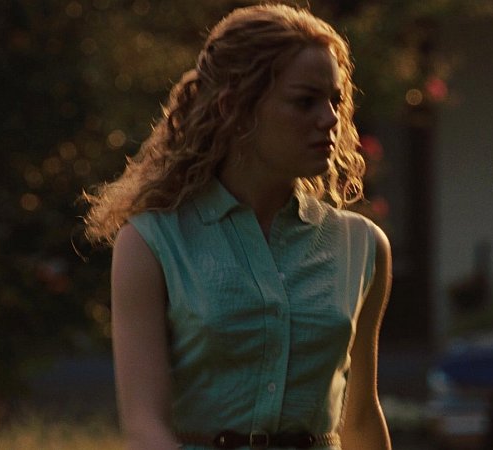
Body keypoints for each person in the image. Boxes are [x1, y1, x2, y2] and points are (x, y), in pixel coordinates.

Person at [82, 4, 392, 449]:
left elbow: (360, 419)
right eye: (305, 101)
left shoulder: (361, 245)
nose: (330, 118)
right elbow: (145, 426)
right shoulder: (152, 242)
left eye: (335, 101)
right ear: (236, 108)